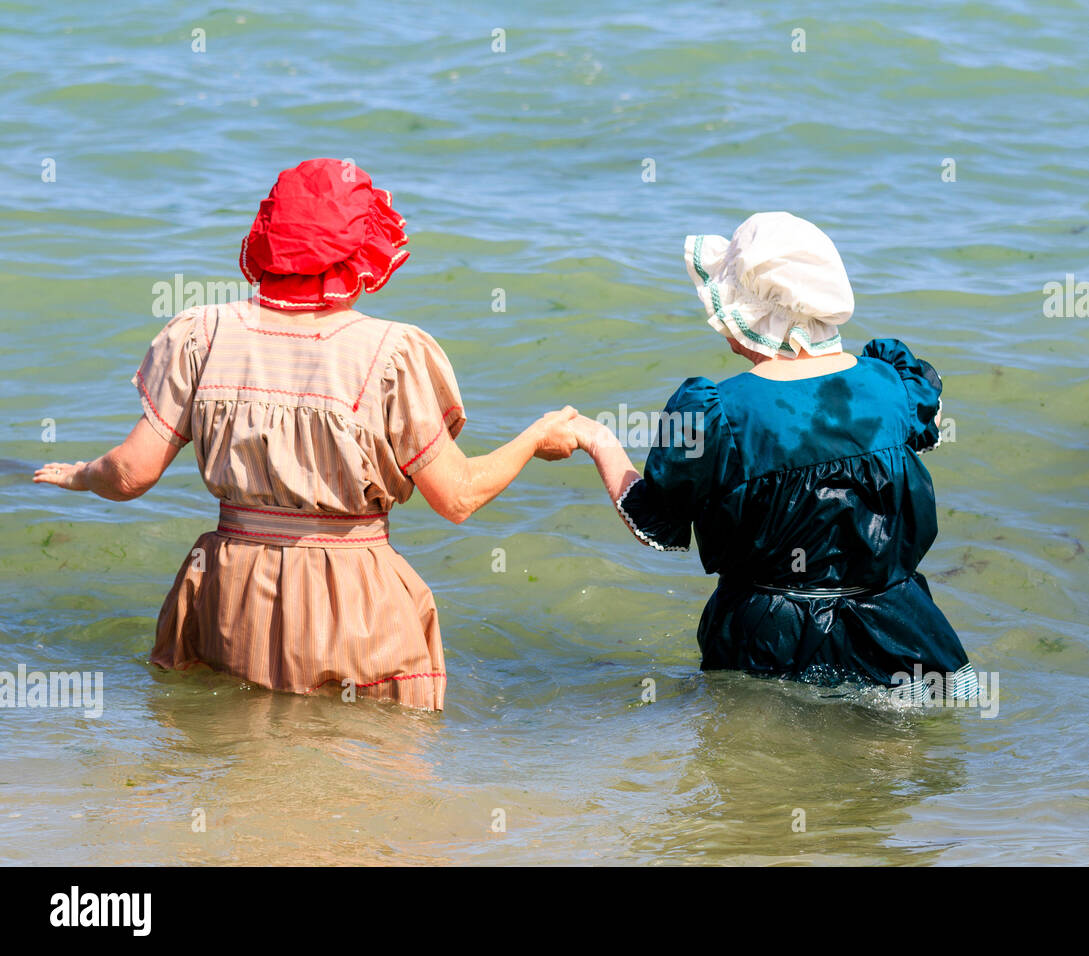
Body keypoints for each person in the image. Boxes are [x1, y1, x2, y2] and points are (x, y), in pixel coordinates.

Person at [33, 158, 578, 711]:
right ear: (364, 254)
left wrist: (79, 475)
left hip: (231, 591)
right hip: (355, 597)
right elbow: (458, 497)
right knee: (365, 775)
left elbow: (130, 474)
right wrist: (535, 438)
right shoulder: (391, 353)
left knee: (235, 762)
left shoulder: (201, 334)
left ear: (267, 243)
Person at [572, 212, 977, 702]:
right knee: (890, 768)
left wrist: (598, 441)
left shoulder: (716, 414)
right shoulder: (893, 385)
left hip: (767, 647)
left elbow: (656, 523)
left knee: (767, 768)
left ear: (754, 313)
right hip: (902, 636)